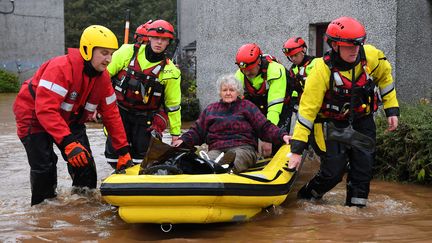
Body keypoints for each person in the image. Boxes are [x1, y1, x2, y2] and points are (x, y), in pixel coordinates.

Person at [13, 25, 132, 206]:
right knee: (45, 167)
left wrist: (123, 151)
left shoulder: (103, 78)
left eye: (111, 54)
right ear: (87, 50)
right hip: (34, 117)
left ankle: (82, 210)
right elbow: (45, 110)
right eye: (104, 53)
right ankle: (42, 213)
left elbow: (112, 115)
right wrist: (68, 143)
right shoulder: (61, 68)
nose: (109, 59)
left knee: (85, 165)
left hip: (70, 119)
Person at [288, 16, 400, 207]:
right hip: (333, 125)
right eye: (349, 46)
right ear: (335, 45)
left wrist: (392, 110)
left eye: (358, 44)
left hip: (362, 121)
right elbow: (307, 111)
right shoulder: (321, 70)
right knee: (333, 173)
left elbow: (385, 78)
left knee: (362, 171)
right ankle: (306, 198)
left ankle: (356, 213)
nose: (355, 50)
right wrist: (297, 150)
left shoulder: (371, 56)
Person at [172, 74, 290, 173]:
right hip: (217, 149)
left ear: (238, 92)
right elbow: (197, 131)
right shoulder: (211, 109)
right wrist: (183, 140)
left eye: (231, 90)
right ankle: (210, 167)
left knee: (235, 158)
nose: (228, 93)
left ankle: (226, 169)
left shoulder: (247, 107)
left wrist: (282, 135)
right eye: (225, 90)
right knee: (209, 161)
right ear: (220, 93)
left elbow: (265, 127)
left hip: (243, 148)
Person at [106, 19, 181, 168]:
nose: (159, 42)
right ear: (149, 38)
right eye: (156, 38)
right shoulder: (127, 52)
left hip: (147, 118)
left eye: (164, 39)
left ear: (168, 43)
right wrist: (95, 105)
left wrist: (175, 136)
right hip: (120, 112)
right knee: (114, 156)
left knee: (143, 159)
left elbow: (172, 106)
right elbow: (104, 78)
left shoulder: (172, 72)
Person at [234, 43, 289, 157]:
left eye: (250, 69)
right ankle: (250, 157)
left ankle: (279, 159)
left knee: (276, 137)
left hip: (281, 104)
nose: (247, 73)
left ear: (259, 61)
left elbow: (274, 108)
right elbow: (236, 106)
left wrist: (268, 138)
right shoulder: (240, 74)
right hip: (257, 103)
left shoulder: (275, 71)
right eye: (244, 70)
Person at [282, 37, 317, 133]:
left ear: (303, 51)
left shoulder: (315, 63)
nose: (293, 59)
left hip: (316, 109)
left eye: (295, 55)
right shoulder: (293, 69)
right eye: (290, 56)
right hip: (300, 109)